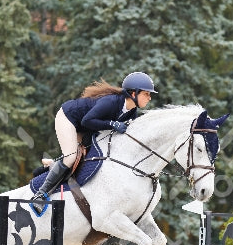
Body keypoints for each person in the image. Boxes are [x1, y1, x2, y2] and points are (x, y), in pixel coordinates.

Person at [30, 71, 157, 214]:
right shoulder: (111, 102)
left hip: (88, 127)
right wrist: (113, 124)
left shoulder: (132, 112)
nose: (149, 98)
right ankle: (40, 195)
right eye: (146, 94)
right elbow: (87, 120)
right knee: (71, 157)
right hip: (69, 118)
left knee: (89, 155)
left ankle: (53, 164)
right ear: (133, 93)